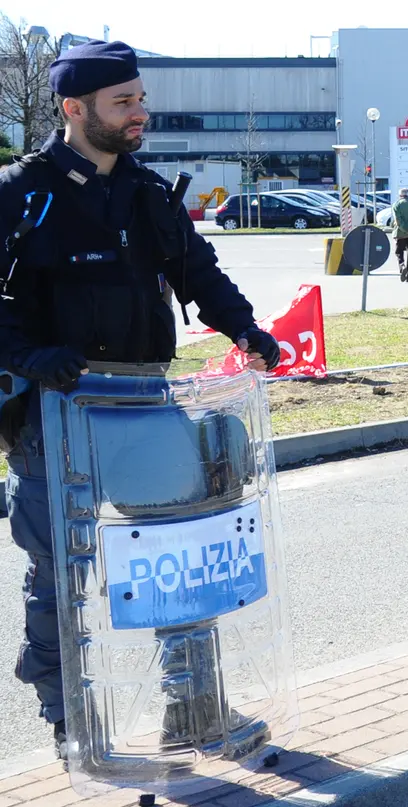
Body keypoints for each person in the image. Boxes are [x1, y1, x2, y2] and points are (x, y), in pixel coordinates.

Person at [0, 41, 281, 756]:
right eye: (123, 101)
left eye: (140, 98)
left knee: (181, 563)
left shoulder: (148, 192)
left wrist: (246, 327)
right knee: (60, 578)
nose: (139, 113)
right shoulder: (18, 193)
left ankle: (194, 714)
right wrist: (28, 354)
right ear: (74, 108)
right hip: (55, 414)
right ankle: (75, 727)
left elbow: (200, 273)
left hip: (146, 403)